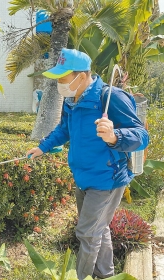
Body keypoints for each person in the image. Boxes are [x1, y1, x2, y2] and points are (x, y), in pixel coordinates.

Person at [26, 48, 149, 280]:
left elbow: (142, 136)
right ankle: (106, 275)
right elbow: (65, 129)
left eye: (63, 77)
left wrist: (115, 136)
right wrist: (42, 147)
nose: (59, 83)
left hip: (107, 179)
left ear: (81, 76)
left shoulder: (110, 98)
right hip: (83, 178)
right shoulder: (71, 99)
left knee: (86, 233)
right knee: (97, 230)